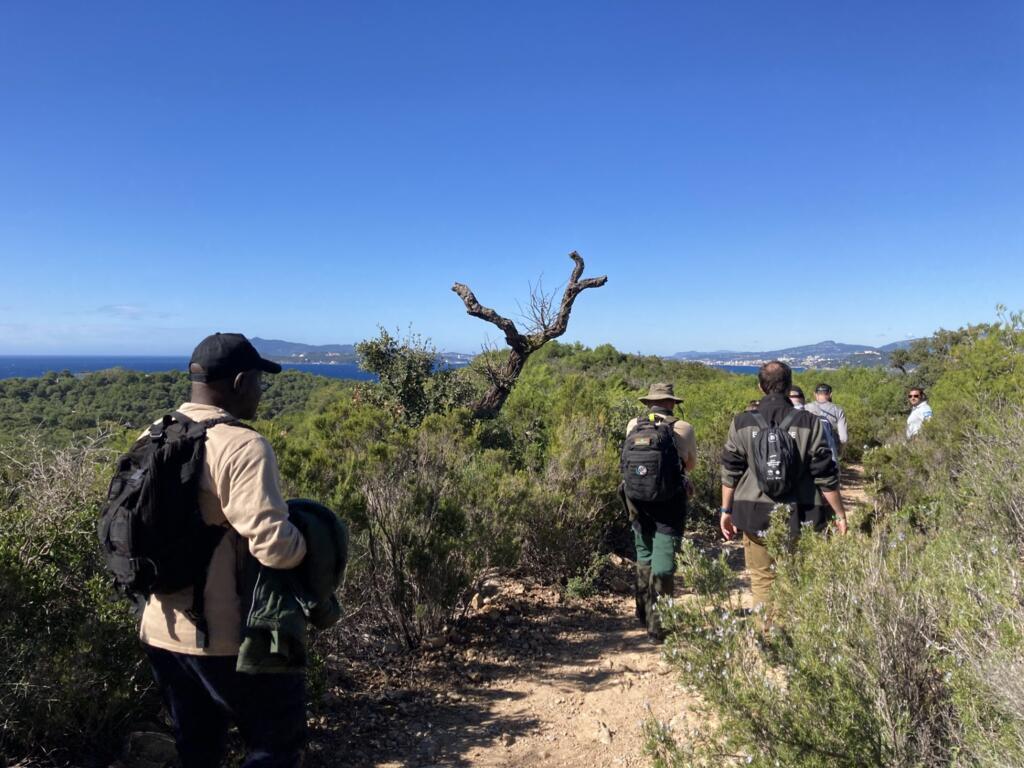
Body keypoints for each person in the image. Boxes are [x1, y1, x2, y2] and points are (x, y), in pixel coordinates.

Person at [140, 333, 308, 768]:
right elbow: (274, 547)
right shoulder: (243, 445)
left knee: (198, 750)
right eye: (257, 381)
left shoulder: (154, 433)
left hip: (161, 631)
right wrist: (312, 537)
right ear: (239, 381)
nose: (260, 391)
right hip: (225, 638)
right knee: (276, 744)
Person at [720, 361, 847, 619]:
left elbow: (730, 470)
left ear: (760, 386)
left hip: (752, 511)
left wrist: (726, 509)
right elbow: (824, 472)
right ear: (789, 386)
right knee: (798, 575)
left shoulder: (742, 422)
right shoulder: (809, 422)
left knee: (762, 578)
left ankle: (768, 635)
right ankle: (795, 634)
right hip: (802, 511)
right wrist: (839, 513)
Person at [622, 382, 697, 642]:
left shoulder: (633, 425)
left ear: (648, 403)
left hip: (636, 500)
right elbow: (691, 465)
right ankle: (658, 624)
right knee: (664, 563)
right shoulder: (683, 428)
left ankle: (642, 611)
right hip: (669, 503)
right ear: (672, 403)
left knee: (644, 554)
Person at [805, 382, 848, 464]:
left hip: (809, 453)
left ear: (815, 394)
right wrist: (839, 452)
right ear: (830, 394)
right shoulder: (838, 410)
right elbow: (843, 438)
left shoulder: (807, 408)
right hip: (830, 453)